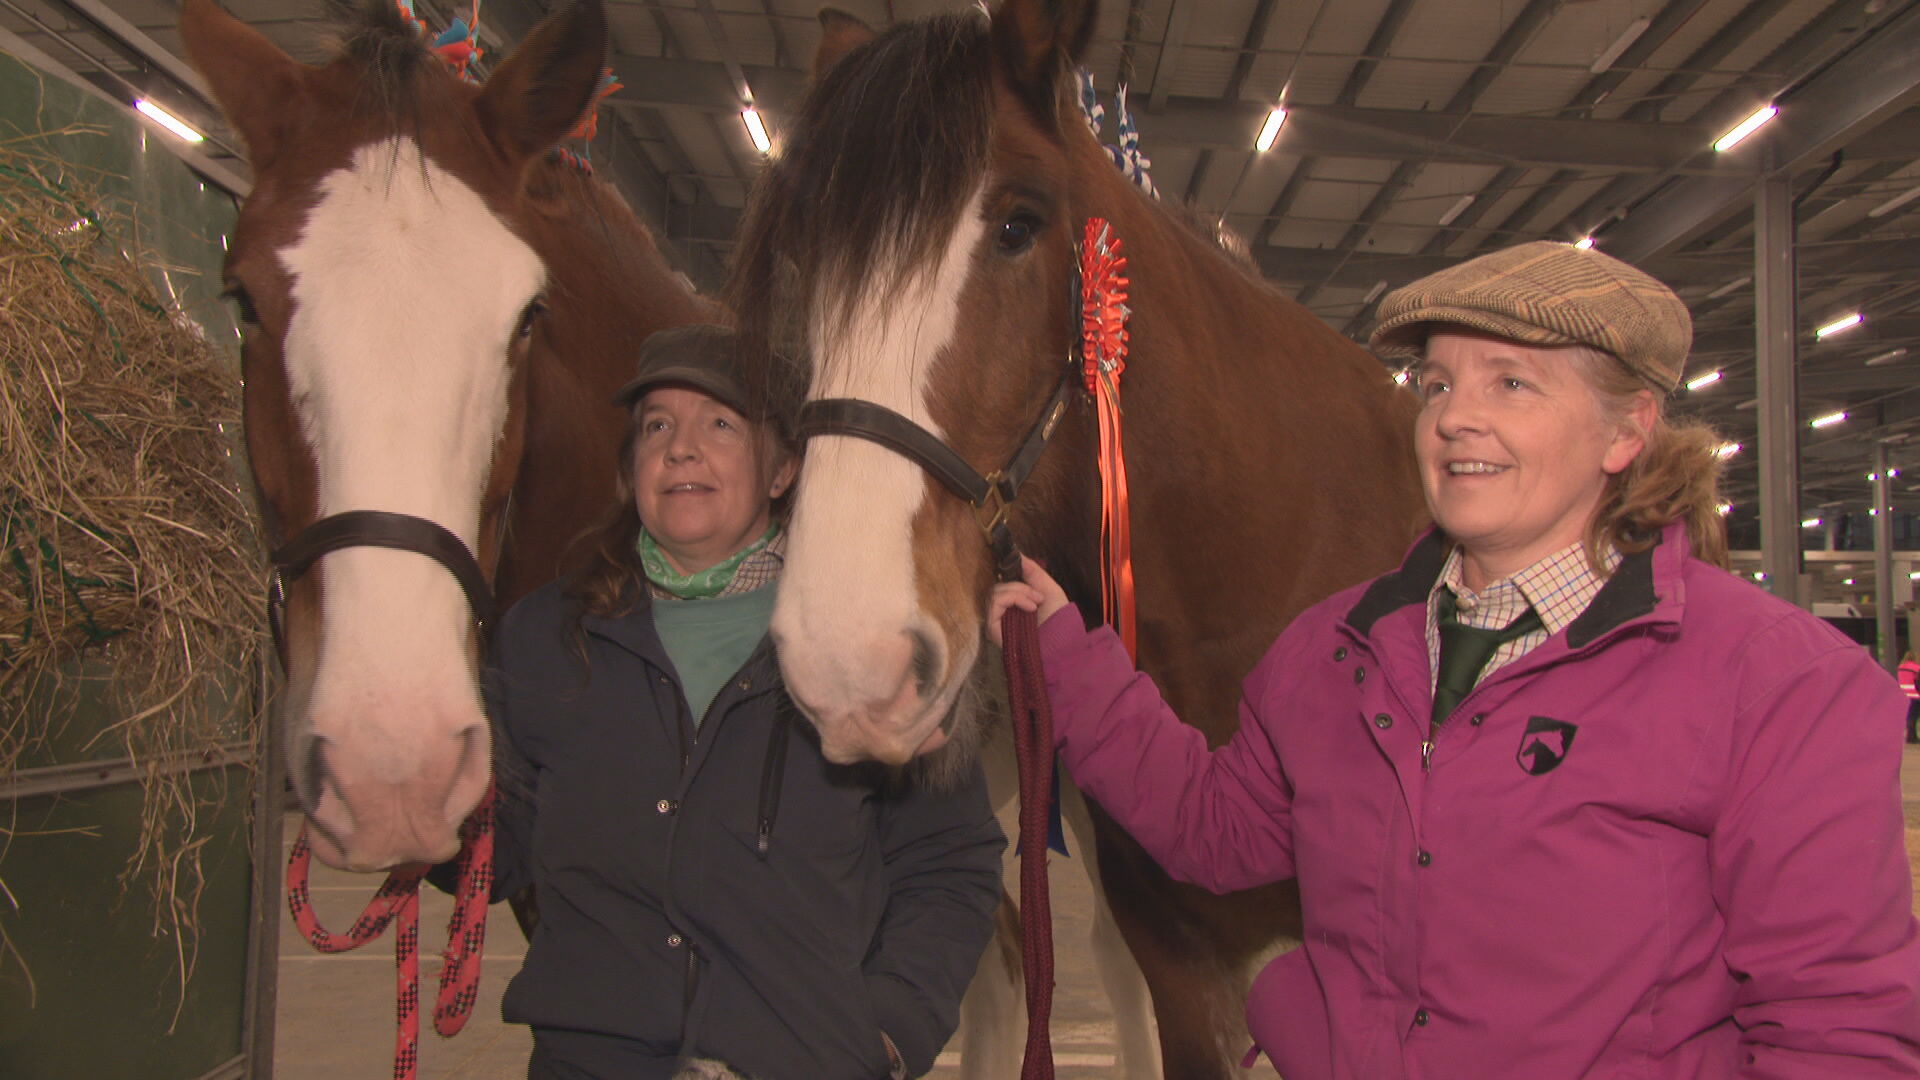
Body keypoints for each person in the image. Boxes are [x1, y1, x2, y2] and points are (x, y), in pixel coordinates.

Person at [990, 242, 1920, 1077]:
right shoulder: (1330, 650)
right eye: (1436, 385)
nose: (1454, 419)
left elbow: (1838, 1030)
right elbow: (1212, 828)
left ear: (1628, 430)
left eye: (1510, 383)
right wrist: (1068, 649)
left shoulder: (1783, 686)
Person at [465, 324, 1005, 1080]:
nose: (681, 448)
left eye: (720, 423)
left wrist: (889, 1027)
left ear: (784, 468)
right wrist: (421, 798)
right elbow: (492, 850)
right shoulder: (546, 639)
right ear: (633, 466)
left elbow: (950, 860)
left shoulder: (862, 646)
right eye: (657, 426)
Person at [1899, 649, 1920, 744]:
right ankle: (1912, 737)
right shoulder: (1916, 668)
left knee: (1909, 717)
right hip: (1915, 695)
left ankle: (1909, 736)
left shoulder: (1900, 667)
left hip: (1904, 695)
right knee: (1914, 717)